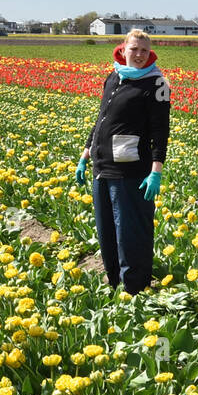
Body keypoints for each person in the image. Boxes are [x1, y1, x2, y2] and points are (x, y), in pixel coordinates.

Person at [75, 29, 170, 295]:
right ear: (123, 49)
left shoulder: (157, 84)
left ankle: (135, 289)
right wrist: (85, 154)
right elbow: (101, 119)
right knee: (106, 232)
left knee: (131, 234)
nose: (139, 55)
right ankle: (115, 283)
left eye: (144, 50)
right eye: (134, 49)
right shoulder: (115, 76)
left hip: (130, 171)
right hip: (102, 166)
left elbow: (160, 132)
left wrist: (156, 171)